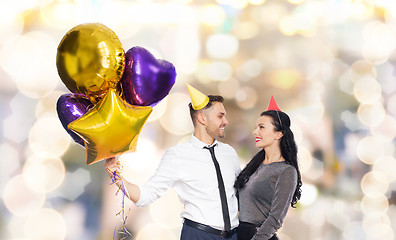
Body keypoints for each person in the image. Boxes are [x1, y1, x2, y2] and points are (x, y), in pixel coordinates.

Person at [105, 84, 240, 240]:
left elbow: (240, 193)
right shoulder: (178, 156)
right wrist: (117, 177)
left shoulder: (229, 153)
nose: (226, 121)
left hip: (233, 235)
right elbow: (146, 196)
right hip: (199, 235)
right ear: (202, 118)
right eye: (220, 116)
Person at [234, 96, 302, 240]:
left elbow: (276, 219)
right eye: (256, 127)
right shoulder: (255, 165)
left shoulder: (286, 172)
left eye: (262, 127)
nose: (255, 132)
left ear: (278, 134)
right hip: (240, 234)